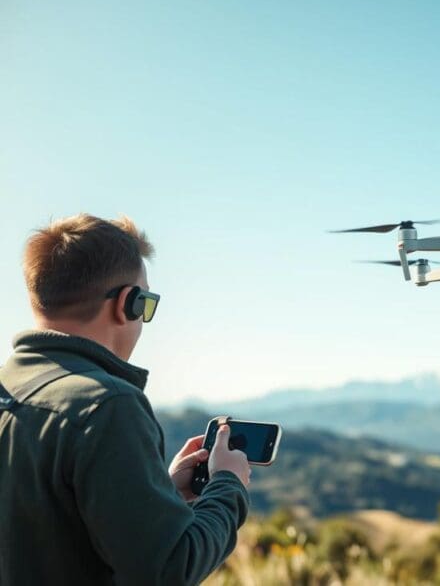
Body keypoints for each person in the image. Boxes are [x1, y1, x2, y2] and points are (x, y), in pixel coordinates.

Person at [0, 213, 252, 585]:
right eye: (147, 302)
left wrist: (158, 492)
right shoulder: (106, 405)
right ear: (127, 303)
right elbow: (171, 568)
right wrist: (228, 484)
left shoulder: (11, 389)